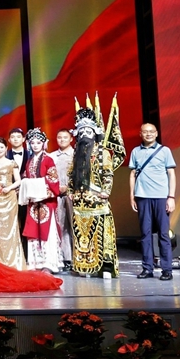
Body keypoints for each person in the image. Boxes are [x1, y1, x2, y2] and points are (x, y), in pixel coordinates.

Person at [69, 95, 126, 277]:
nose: (85, 135)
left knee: (102, 233)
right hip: (80, 202)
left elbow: (108, 174)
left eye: (88, 131)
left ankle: (105, 267)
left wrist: (105, 191)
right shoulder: (76, 153)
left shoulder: (103, 153)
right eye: (82, 132)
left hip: (97, 200)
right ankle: (84, 266)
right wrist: (70, 191)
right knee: (81, 235)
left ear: (95, 132)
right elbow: (71, 175)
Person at [129, 123, 176, 280]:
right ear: (140, 134)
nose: (148, 134)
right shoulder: (136, 151)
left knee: (163, 234)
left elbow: (171, 174)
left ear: (156, 134)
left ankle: (167, 269)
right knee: (145, 234)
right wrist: (132, 196)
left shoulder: (165, 151)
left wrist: (171, 197)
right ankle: (147, 268)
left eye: (151, 131)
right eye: (145, 132)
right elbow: (133, 175)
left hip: (161, 196)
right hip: (142, 197)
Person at [21, 128, 64, 273]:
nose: (35, 145)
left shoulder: (48, 159)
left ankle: (49, 263)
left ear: (44, 144)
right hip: (34, 203)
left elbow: (53, 179)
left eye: (38, 142)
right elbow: (25, 177)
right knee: (34, 232)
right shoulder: (29, 161)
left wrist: (37, 187)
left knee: (48, 232)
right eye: (32, 143)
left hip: (46, 202)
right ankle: (35, 262)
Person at [0, 137, 25, 270]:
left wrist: (9, 188)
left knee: (11, 227)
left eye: (1, 147)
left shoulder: (11, 163)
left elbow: (18, 180)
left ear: (6, 148)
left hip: (9, 197)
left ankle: (13, 260)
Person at [50, 129, 76, 271]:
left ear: (71, 139)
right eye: (59, 137)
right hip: (57, 195)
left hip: (72, 195)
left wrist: (69, 187)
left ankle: (77, 258)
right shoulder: (52, 156)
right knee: (60, 226)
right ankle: (64, 258)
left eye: (65, 137)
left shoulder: (76, 155)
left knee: (74, 225)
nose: (62, 140)